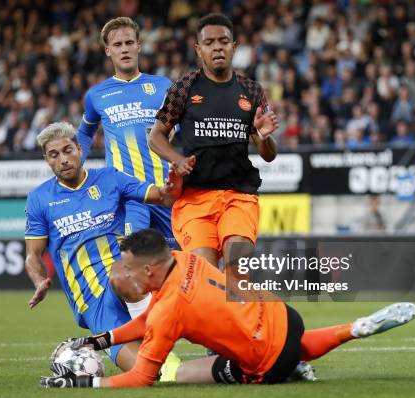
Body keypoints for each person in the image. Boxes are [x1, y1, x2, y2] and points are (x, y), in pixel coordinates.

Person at [40, 229, 415, 388]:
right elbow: (146, 321)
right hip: (283, 316)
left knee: (184, 375)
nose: (121, 272)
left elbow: (142, 378)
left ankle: (304, 358)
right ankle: (350, 329)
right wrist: (102, 340)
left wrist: (84, 382)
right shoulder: (184, 258)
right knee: (290, 344)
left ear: (149, 269)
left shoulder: (170, 309)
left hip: (264, 360)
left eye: (126, 266)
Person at [24, 122, 181, 372]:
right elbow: (33, 255)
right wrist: (39, 279)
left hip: (128, 275)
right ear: (47, 160)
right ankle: (168, 366)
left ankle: (166, 333)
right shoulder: (39, 199)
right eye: (54, 155)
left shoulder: (109, 177)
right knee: (152, 373)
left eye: (67, 150)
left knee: (127, 275)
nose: (63, 159)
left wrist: (172, 183)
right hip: (90, 298)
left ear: (79, 148)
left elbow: (159, 195)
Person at [148, 13, 279, 271]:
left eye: (224, 41)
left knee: (236, 276)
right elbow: (155, 136)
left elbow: (268, 154)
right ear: (199, 49)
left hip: (239, 196)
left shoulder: (251, 90)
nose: (217, 47)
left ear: (234, 47)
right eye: (209, 42)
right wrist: (179, 160)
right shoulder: (184, 88)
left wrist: (263, 137)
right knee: (204, 280)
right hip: (195, 199)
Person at [77, 16, 176, 318]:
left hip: (164, 192)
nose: (124, 49)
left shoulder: (161, 87)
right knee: (132, 266)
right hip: (128, 196)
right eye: (117, 44)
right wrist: (75, 168)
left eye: (129, 43)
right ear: (108, 51)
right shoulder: (97, 95)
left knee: (181, 266)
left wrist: (173, 136)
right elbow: (84, 132)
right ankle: (145, 343)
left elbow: (180, 127)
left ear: (138, 46)